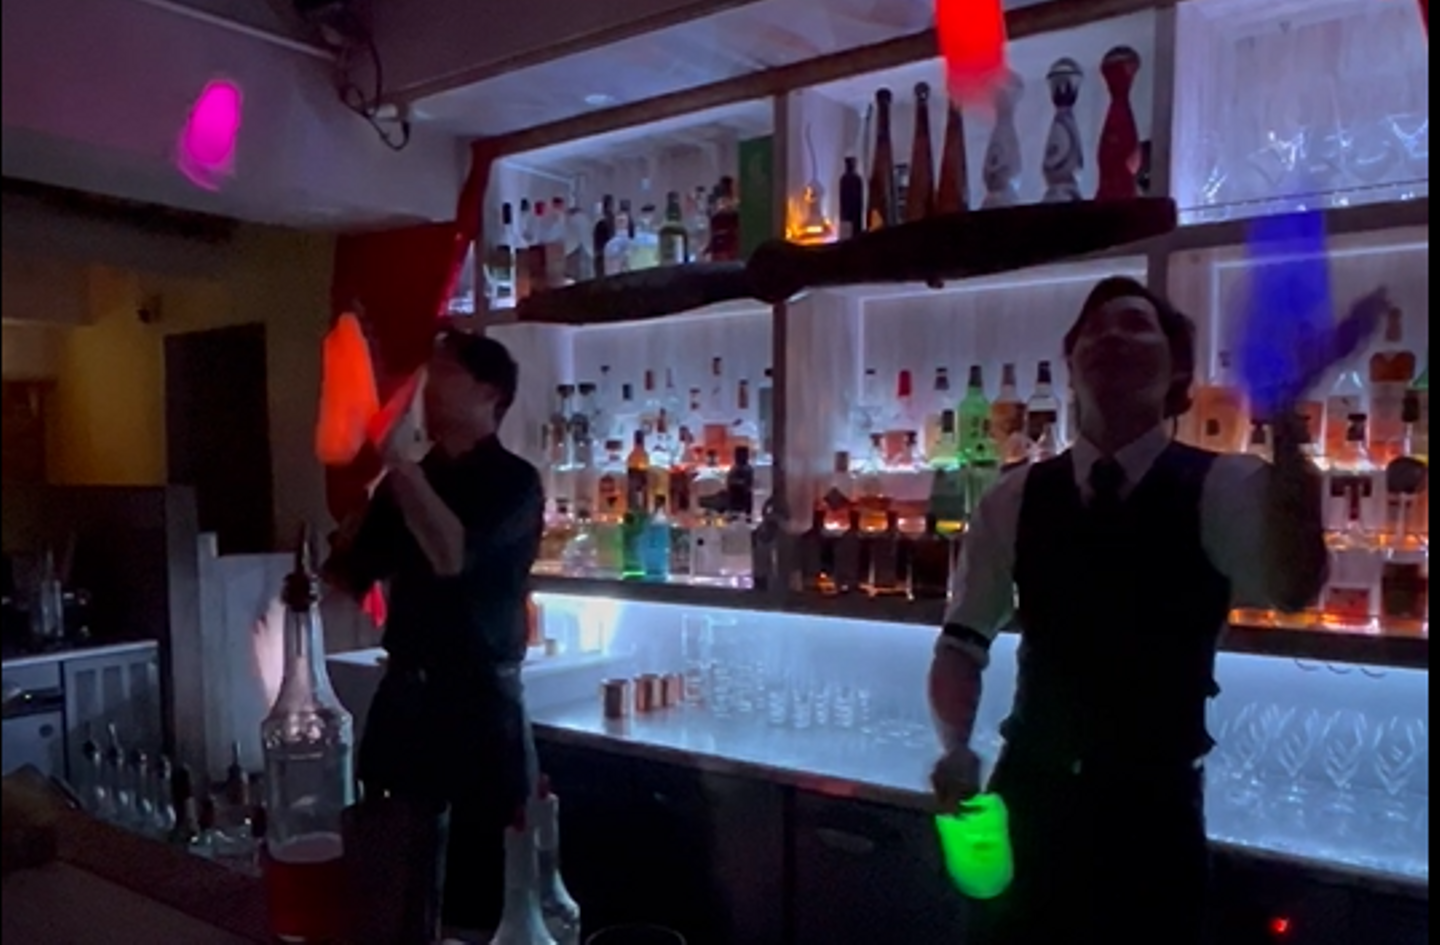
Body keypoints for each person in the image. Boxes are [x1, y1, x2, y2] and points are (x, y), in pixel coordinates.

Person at [927, 276, 1387, 944]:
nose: (1111, 335)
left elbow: (1294, 585)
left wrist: (1287, 425)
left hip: (1153, 819)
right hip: (1029, 802)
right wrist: (955, 747)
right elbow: (960, 644)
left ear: (1176, 371)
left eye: (1136, 324)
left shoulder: (1227, 484)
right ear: (1071, 364)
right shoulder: (1014, 496)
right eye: (1094, 328)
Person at [323, 328, 544, 940]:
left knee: (480, 891)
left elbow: (451, 556)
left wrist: (398, 464)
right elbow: (346, 577)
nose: (428, 384)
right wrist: (342, 536)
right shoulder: (408, 482)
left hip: (480, 709)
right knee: (395, 883)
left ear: (490, 393)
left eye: (445, 371)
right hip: (407, 702)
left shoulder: (514, 482)